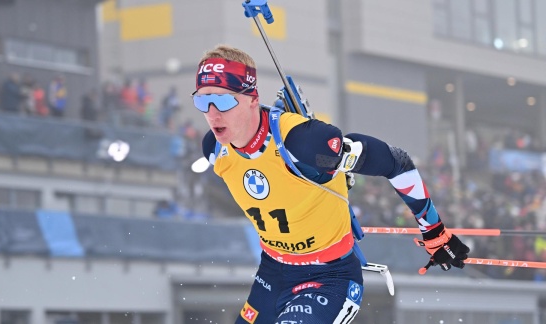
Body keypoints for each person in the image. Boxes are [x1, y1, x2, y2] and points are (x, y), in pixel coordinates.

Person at [193, 44, 470, 324]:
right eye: (203, 102)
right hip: (273, 274)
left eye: (223, 101)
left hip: (329, 277)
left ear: (252, 98)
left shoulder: (302, 143)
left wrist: (434, 230)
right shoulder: (215, 150)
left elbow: (397, 162)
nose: (213, 114)